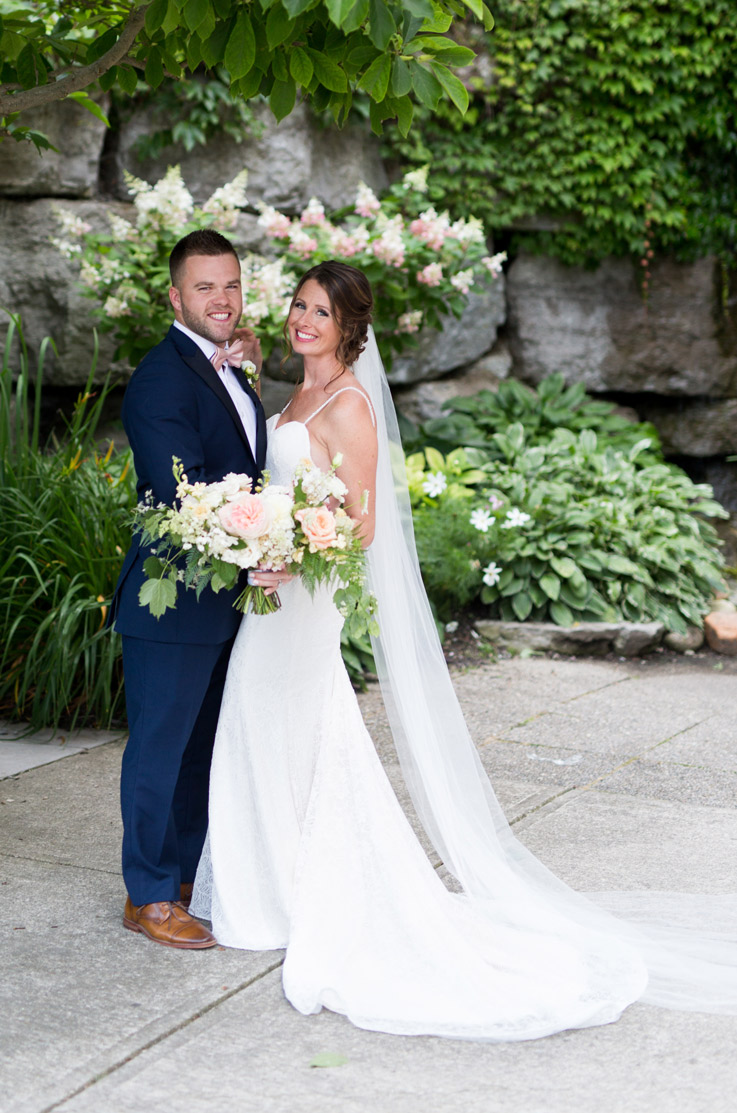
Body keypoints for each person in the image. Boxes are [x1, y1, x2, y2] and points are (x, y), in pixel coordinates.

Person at [191, 260, 737, 1038]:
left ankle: (284, 895)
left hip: (301, 598)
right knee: (271, 728)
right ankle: (272, 889)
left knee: (272, 718)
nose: (303, 320)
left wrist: (293, 551)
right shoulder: (301, 388)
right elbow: (288, 476)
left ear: (350, 327)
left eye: (321, 312)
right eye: (298, 307)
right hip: (275, 591)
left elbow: (363, 525)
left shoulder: (348, 405)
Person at [109, 228, 282, 949]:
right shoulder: (160, 378)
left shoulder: (229, 368)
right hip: (172, 599)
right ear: (175, 296)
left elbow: (242, 461)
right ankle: (147, 893)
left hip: (224, 601)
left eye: (232, 284)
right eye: (205, 286)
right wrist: (259, 548)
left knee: (199, 748)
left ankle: (180, 875)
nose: (222, 298)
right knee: (157, 747)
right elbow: (184, 493)